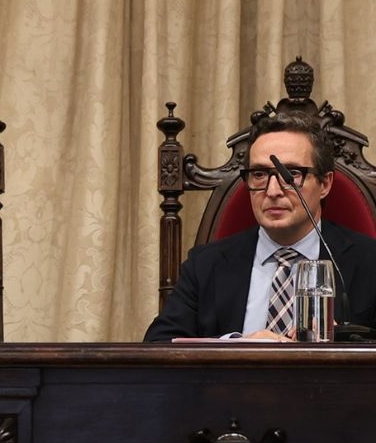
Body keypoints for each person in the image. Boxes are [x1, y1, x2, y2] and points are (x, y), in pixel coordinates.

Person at [144, 111, 376, 342]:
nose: (272, 191)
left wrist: (346, 344)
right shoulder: (205, 265)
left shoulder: (370, 261)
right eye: (259, 174)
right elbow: (159, 345)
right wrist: (237, 347)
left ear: (325, 183)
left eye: (291, 174)